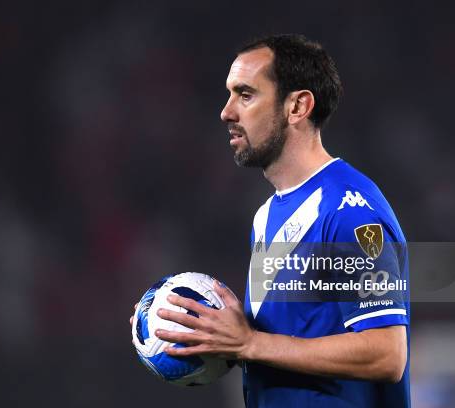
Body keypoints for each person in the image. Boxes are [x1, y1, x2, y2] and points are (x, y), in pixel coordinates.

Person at [138, 34, 410, 407]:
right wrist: (219, 338)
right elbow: (285, 341)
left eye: (246, 95)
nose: (227, 112)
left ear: (297, 106)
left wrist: (250, 342)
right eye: (230, 94)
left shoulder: (348, 212)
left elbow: (387, 354)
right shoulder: (267, 215)